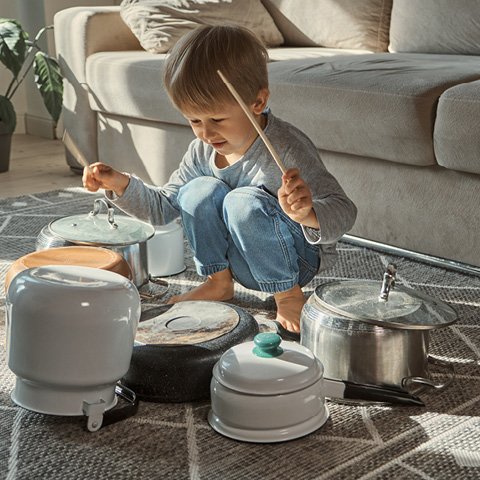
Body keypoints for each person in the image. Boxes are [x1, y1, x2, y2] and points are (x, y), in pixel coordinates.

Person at [82, 24, 357, 338]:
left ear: (257, 102)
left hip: (296, 262)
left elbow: (344, 210)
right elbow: (164, 208)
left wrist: (306, 213)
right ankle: (218, 282)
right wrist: (119, 184)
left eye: (217, 119)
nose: (205, 133)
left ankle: (287, 295)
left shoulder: (287, 149)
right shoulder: (201, 151)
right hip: (240, 258)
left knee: (242, 200)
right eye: (194, 121)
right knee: (197, 190)